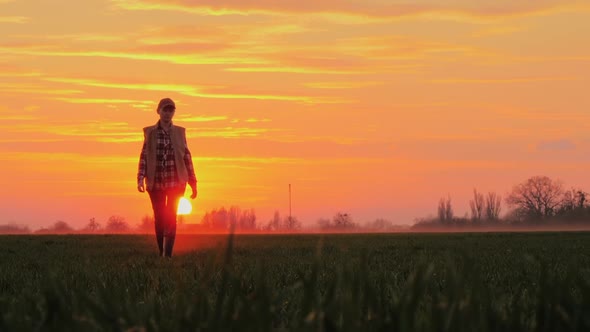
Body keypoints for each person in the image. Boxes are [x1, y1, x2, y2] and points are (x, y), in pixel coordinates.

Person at [137, 97, 197, 257]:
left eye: (171, 110)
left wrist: (193, 181)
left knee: (171, 216)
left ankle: (167, 256)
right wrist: (140, 178)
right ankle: (161, 252)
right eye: (165, 109)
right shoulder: (150, 132)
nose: (168, 113)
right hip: (155, 182)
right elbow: (144, 156)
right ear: (158, 111)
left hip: (176, 181)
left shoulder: (179, 132)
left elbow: (187, 157)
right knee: (159, 217)